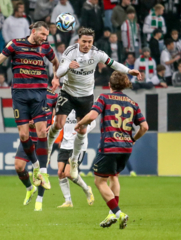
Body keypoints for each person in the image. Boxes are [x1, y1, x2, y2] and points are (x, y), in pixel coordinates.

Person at [0, 21, 60, 192]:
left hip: (39, 95)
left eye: (47, 35)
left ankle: (43, 172)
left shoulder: (46, 48)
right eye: (43, 34)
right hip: (20, 97)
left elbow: (56, 63)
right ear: (34, 31)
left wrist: (56, 77)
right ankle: (36, 165)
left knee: (42, 130)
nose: (45, 38)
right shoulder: (15, 44)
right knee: (23, 135)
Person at [47, 27, 141, 179]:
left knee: (82, 131)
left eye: (89, 42)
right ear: (78, 40)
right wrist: (67, 68)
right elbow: (59, 70)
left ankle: (75, 161)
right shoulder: (70, 52)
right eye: (84, 41)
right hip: (68, 92)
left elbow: (113, 64)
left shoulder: (97, 53)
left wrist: (129, 71)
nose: (86, 44)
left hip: (86, 96)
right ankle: (47, 149)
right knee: (58, 124)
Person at [75, 71, 148, 229]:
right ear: (125, 85)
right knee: (114, 177)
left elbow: (92, 116)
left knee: (99, 181)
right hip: (126, 147)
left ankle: (118, 212)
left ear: (110, 84)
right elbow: (144, 127)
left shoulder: (104, 98)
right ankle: (111, 213)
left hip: (109, 145)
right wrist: (133, 139)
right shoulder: (133, 103)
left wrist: (80, 124)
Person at [14, 88, 57, 211]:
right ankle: (29, 188)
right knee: (18, 166)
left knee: (41, 173)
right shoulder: (25, 92)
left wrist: (51, 125)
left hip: (41, 140)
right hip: (28, 138)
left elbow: (59, 114)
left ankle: (39, 200)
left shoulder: (53, 96)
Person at [56, 110, 95, 208]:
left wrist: (82, 131)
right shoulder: (65, 107)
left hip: (78, 145)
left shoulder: (81, 107)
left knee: (68, 173)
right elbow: (57, 121)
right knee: (60, 173)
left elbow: (93, 122)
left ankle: (87, 189)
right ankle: (68, 201)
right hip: (65, 144)